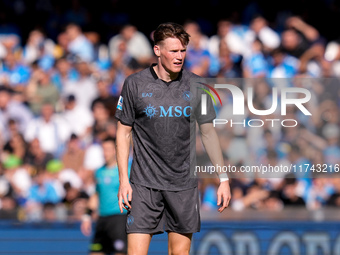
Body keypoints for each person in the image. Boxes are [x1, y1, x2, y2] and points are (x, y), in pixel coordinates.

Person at [115, 22, 231, 255]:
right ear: (158, 51)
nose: (179, 57)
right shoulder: (135, 84)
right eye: (173, 51)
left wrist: (224, 179)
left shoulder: (197, 85)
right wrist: (124, 180)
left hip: (182, 185)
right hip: (143, 185)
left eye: (183, 51)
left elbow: (208, 133)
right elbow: (123, 132)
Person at [81, 137, 128, 255]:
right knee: (96, 251)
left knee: (120, 252)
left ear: (115, 150)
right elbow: (96, 194)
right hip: (102, 220)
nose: (104, 153)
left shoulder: (126, 170)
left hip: (119, 218)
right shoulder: (99, 171)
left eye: (107, 149)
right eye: (103, 149)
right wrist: (87, 216)